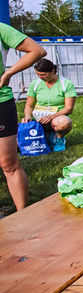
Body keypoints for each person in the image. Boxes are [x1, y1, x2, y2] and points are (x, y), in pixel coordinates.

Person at [0, 22, 46, 210]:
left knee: (8, 163)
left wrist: (9, 72)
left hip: (1, 102)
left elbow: (37, 51)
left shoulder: (1, 29)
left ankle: (23, 215)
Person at [22, 58, 76, 152]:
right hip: (37, 118)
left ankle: (59, 139)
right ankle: (45, 138)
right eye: (38, 74)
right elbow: (29, 105)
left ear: (53, 71)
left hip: (56, 117)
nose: (40, 77)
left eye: (43, 74)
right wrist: (27, 116)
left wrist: (51, 116)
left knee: (64, 123)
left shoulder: (66, 84)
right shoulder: (35, 84)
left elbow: (69, 109)